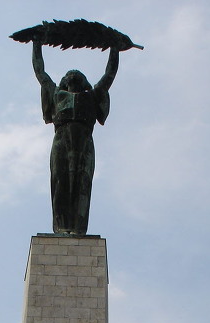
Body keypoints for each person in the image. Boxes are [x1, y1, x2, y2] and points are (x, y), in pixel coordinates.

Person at [32, 40, 119, 236]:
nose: (73, 75)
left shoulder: (92, 95)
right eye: (69, 75)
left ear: (84, 82)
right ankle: (62, 226)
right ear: (64, 81)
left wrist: (114, 47)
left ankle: (78, 228)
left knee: (82, 183)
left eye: (78, 75)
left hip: (84, 141)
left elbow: (109, 75)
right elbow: (40, 73)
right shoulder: (57, 94)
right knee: (60, 181)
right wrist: (36, 44)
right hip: (61, 139)